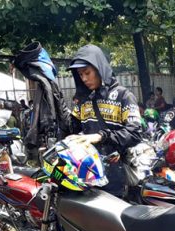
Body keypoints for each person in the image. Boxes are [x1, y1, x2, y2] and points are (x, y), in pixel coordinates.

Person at [60, 44, 143, 198]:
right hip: (86, 175)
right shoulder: (84, 100)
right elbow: (71, 129)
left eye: (87, 73)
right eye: (80, 75)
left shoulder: (123, 96)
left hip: (115, 176)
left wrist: (101, 136)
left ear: (100, 69)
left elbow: (135, 133)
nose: (84, 79)